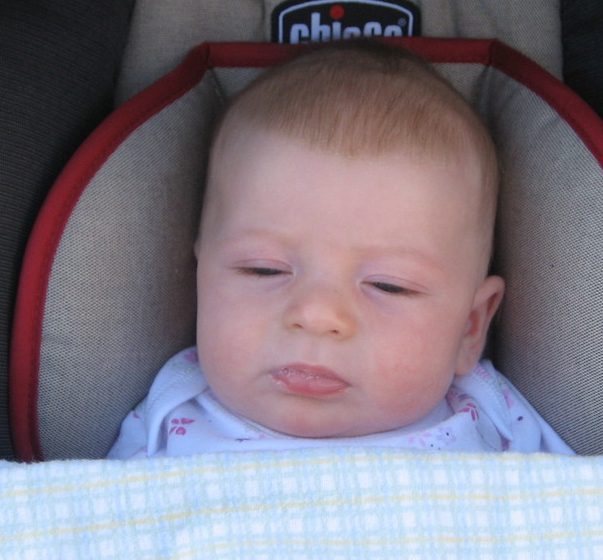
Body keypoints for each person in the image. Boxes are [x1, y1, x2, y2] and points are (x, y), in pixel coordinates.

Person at [107, 40, 572, 458]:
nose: (317, 315)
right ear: (199, 279)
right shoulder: (167, 416)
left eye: (389, 286)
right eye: (263, 270)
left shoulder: (497, 423)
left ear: (471, 328)